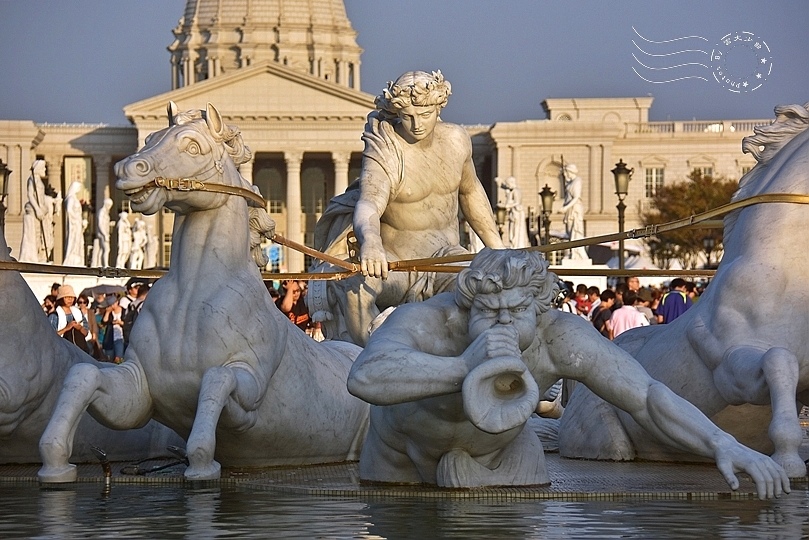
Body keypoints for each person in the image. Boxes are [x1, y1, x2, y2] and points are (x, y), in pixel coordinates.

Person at [347, 248, 789, 498]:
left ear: (540, 311)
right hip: (400, 456)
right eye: (488, 311)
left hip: (499, 458)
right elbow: (365, 377)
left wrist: (723, 444)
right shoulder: (431, 321)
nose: (501, 322)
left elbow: (647, 397)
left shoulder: (560, 336)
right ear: (467, 308)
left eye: (516, 311)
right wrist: (462, 367)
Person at [310, 70, 503, 345]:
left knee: (485, 285)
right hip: (395, 264)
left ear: (439, 108)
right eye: (408, 116)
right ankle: (375, 359)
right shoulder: (385, 147)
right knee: (357, 288)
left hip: (445, 259)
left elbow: (471, 193)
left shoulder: (457, 141)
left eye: (425, 115)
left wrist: (498, 249)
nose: (416, 125)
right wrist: (372, 243)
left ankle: (486, 363)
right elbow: (369, 203)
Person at [18, 160, 49, 263]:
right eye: (43, 168)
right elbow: (30, 195)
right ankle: (32, 256)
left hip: (39, 211)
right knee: (34, 234)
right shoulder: (32, 179)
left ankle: (38, 256)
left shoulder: (38, 180)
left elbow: (41, 197)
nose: (45, 170)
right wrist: (37, 209)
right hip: (33, 211)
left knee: (39, 234)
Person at [48, 284, 89, 353]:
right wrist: (66, 328)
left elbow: (86, 333)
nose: (70, 299)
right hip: (62, 351)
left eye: (72, 297)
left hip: (80, 351)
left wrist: (80, 328)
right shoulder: (54, 316)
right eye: (67, 297)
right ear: (61, 298)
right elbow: (50, 337)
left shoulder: (78, 313)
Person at [559, 163, 587, 260]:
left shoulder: (577, 181)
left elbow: (576, 197)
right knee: (570, 232)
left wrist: (566, 207)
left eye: (566, 173)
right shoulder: (570, 182)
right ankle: (573, 252)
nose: (565, 175)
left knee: (576, 230)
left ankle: (578, 254)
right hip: (570, 210)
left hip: (575, 209)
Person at [496, 176, 529, 248]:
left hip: (517, 213)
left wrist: (505, 206)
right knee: (512, 233)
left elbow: (517, 202)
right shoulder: (512, 190)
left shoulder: (516, 191)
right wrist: (500, 182)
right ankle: (514, 245)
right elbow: (505, 187)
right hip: (513, 214)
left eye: (508, 184)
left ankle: (517, 246)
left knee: (515, 233)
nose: (507, 186)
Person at [62, 181, 85, 266]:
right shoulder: (71, 198)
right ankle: (72, 258)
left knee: (78, 240)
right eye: (78, 188)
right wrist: (75, 219)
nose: (79, 190)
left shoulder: (74, 198)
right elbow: (69, 210)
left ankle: (77, 257)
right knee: (74, 240)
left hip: (77, 222)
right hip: (74, 223)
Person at [101, 295, 125, 363]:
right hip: (110, 337)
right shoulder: (109, 312)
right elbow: (104, 321)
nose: (113, 306)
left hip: (120, 337)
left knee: (119, 358)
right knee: (109, 359)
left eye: (113, 304)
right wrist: (107, 312)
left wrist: (120, 322)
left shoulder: (123, 310)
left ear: (117, 302)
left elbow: (127, 323)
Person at [92, 198, 113, 267]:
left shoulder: (105, 213)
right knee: (107, 249)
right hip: (102, 233)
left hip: (105, 233)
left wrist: (110, 224)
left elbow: (104, 223)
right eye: (109, 205)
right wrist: (104, 234)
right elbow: (100, 224)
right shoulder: (101, 212)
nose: (109, 208)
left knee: (102, 249)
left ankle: (99, 263)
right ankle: (105, 265)